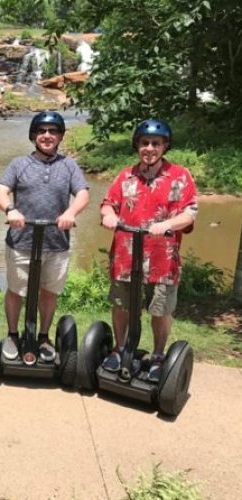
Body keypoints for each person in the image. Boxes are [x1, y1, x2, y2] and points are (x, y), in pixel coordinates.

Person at [100, 119, 198, 382]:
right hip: (125, 255)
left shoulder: (180, 176)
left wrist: (166, 224)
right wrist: (108, 215)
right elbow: (108, 203)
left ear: (165, 145)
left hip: (162, 259)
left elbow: (190, 212)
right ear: (137, 146)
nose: (150, 148)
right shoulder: (125, 176)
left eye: (156, 143)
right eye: (144, 143)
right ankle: (120, 349)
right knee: (121, 306)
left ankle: (157, 355)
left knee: (160, 310)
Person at [0, 111, 90, 362]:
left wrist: (71, 212)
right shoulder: (19, 164)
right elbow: (1, 192)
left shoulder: (69, 166)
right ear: (34, 135)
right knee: (16, 290)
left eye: (53, 131)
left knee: (49, 292)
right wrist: (10, 209)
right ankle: (13, 334)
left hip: (56, 243)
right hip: (21, 241)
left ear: (60, 136)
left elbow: (82, 194)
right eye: (42, 131)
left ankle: (44, 336)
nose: (47, 136)